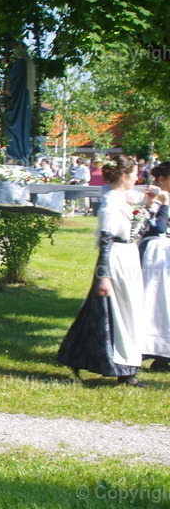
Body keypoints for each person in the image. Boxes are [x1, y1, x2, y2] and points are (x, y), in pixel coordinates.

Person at [57, 154, 151, 386]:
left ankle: (114, 364)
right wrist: (104, 275)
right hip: (117, 260)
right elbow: (106, 241)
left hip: (127, 256)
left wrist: (151, 200)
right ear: (123, 176)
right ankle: (124, 369)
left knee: (119, 311)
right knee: (118, 312)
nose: (138, 178)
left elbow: (136, 198)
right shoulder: (110, 204)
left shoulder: (122, 197)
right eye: (134, 174)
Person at [140, 161, 170, 372]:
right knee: (154, 300)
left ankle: (164, 353)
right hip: (156, 256)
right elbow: (155, 228)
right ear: (161, 179)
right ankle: (147, 347)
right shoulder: (154, 199)